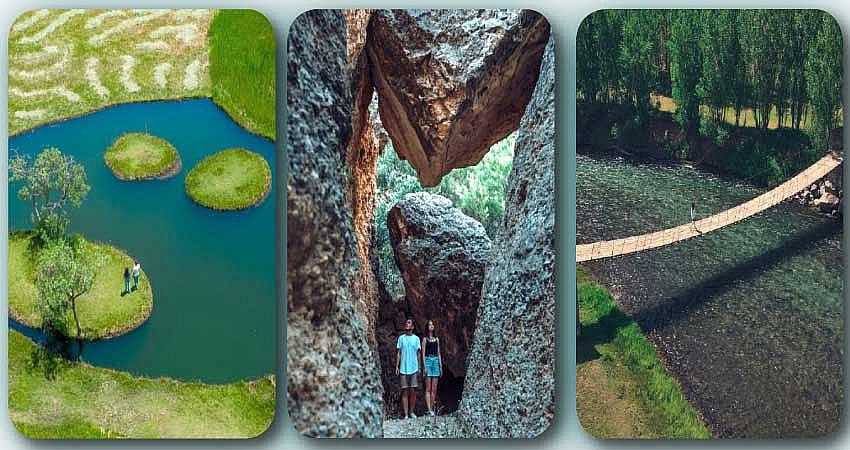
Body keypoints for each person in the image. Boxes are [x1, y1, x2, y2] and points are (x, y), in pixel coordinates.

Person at [396, 318, 421, 419]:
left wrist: (419, 367)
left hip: (414, 367)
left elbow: (418, 354)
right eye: (406, 323)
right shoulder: (401, 338)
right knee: (405, 390)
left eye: (409, 323)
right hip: (403, 368)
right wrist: (397, 366)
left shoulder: (416, 339)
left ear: (413, 326)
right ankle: (406, 414)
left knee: (413, 390)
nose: (407, 324)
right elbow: (398, 353)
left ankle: (411, 412)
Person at [422, 320, 442, 416]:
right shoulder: (425, 339)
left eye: (432, 324)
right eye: (429, 324)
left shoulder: (437, 339)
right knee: (428, 387)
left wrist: (440, 366)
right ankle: (429, 409)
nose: (431, 326)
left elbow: (439, 353)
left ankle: (431, 409)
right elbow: (423, 354)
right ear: (427, 327)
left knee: (434, 388)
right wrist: (424, 366)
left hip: (435, 361)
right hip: (428, 360)